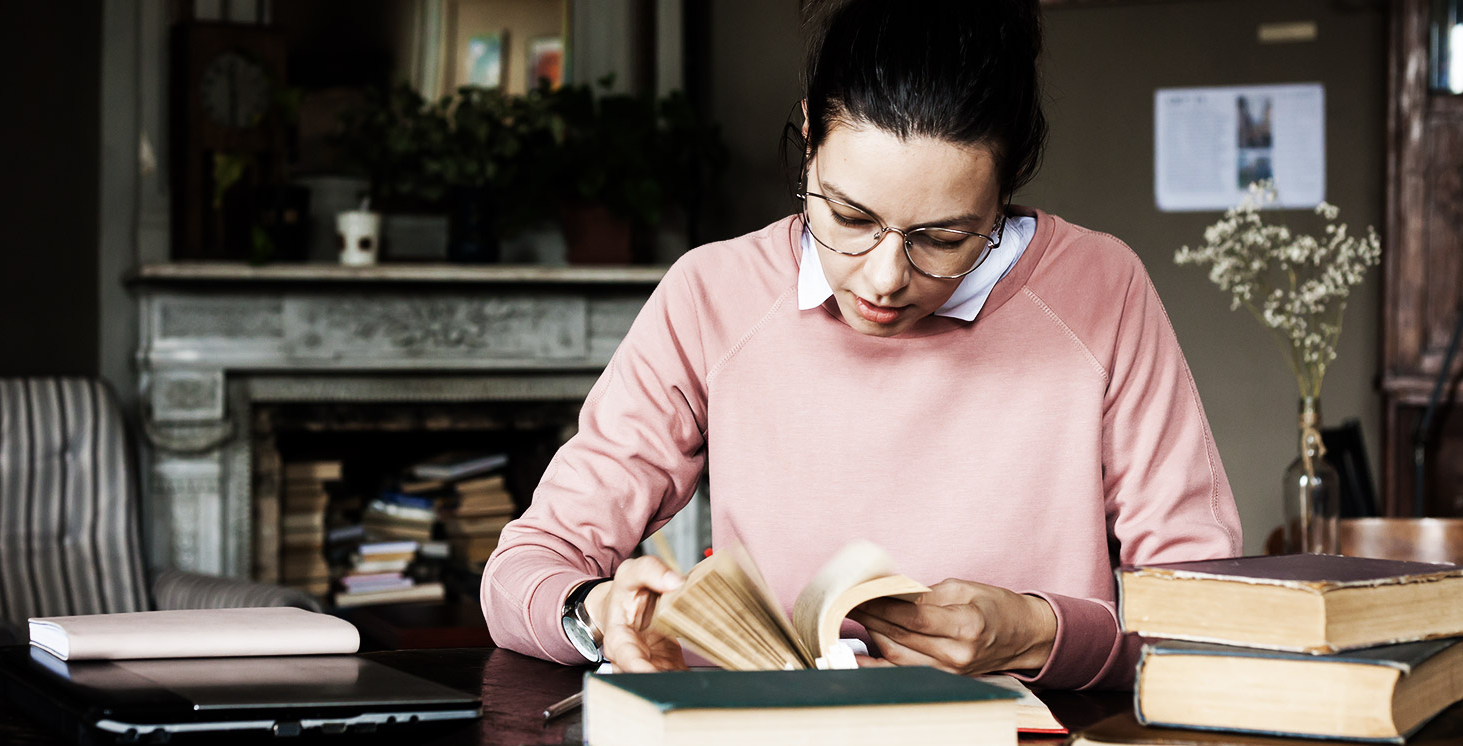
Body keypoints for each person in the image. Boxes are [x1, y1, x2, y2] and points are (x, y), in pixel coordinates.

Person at [480, 0, 1241, 690]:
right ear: (810, 137)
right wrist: (593, 612)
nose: (884, 279)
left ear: (1005, 189)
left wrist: (1042, 634)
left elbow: (1213, 610)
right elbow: (524, 569)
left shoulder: (1101, 290)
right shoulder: (713, 294)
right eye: (848, 217)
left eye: (943, 238)